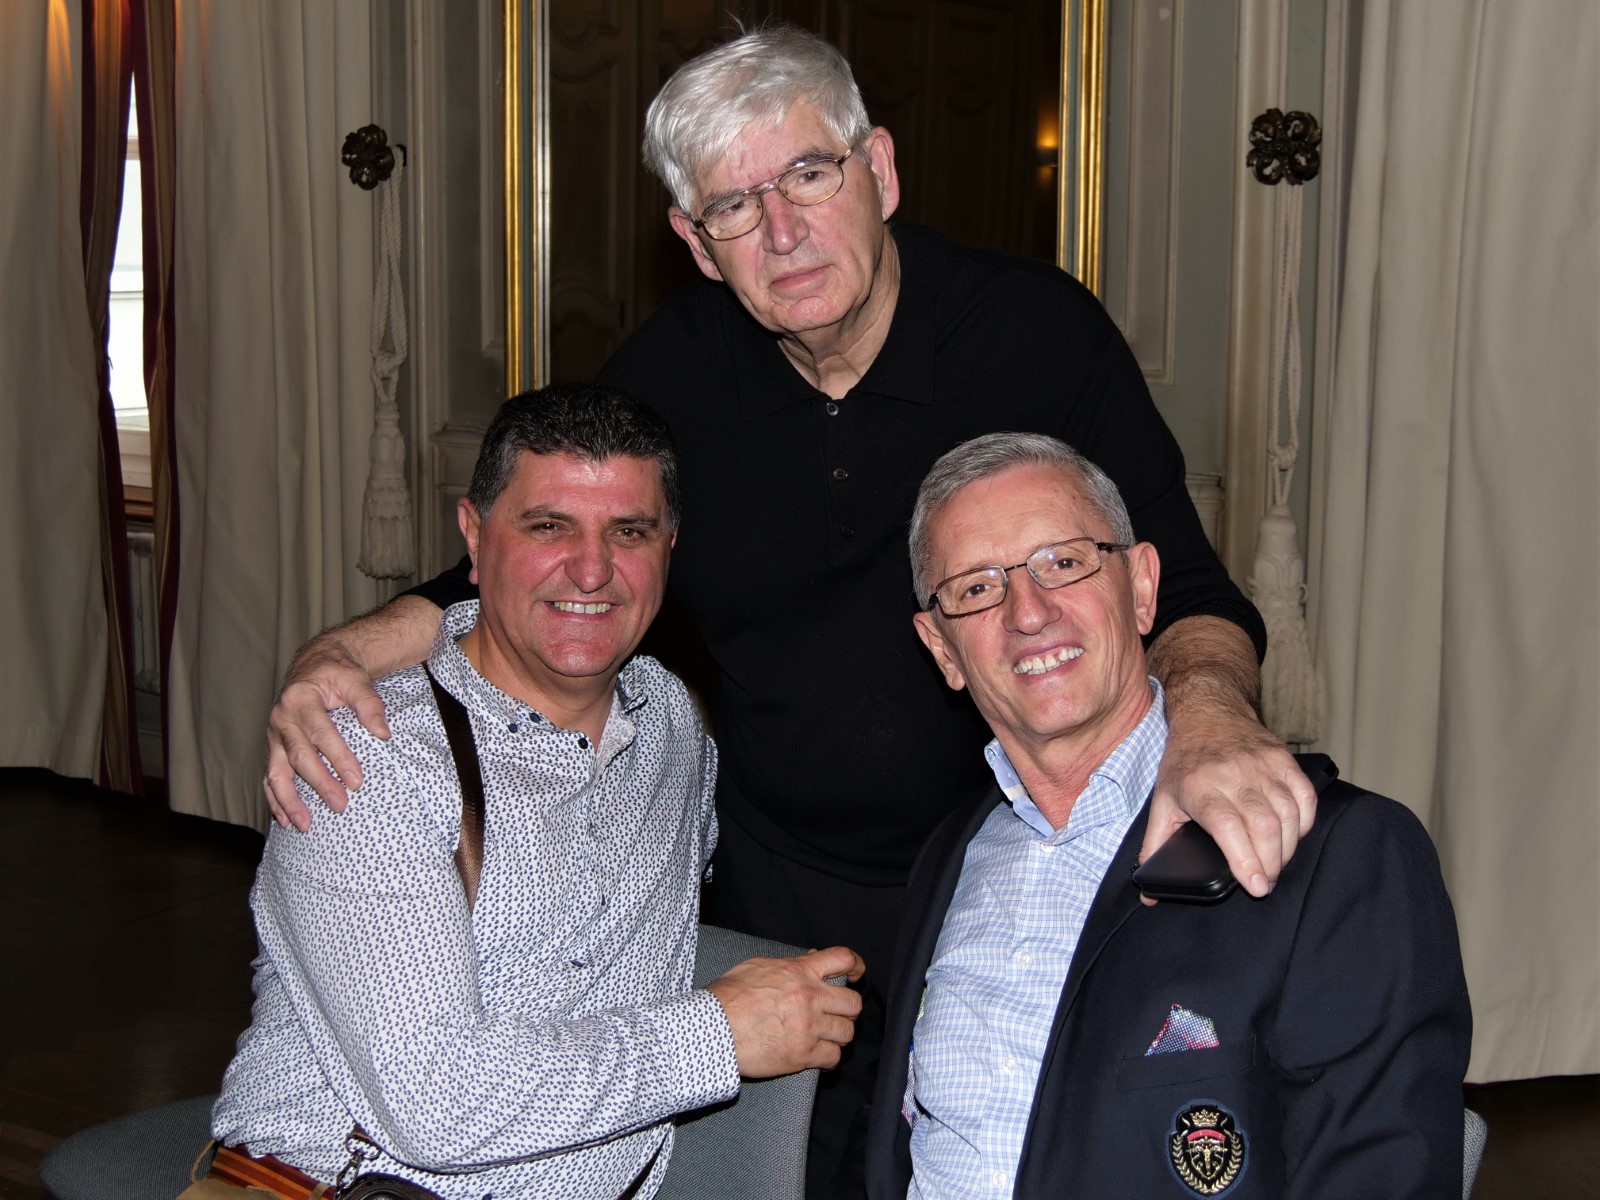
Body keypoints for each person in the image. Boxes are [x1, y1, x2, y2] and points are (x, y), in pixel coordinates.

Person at [261, 26, 1317, 1195]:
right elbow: (540, 563)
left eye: (809, 174)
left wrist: (1212, 722)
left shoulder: (1033, 334)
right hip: (780, 886)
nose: (781, 230)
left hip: (1010, 858)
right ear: (695, 243)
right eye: (733, 205)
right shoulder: (673, 373)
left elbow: (1188, 590)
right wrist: (339, 655)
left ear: (881, 171)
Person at [205, 385, 864, 1200]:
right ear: (474, 538)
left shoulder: (672, 726)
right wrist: (716, 1034)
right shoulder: (365, 760)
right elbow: (437, 1106)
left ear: (670, 547)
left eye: (629, 532)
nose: (591, 569)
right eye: (548, 526)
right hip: (350, 1186)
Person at [859, 432, 1471, 1198]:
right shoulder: (949, 861)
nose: (1029, 612)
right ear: (942, 649)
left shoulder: (1336, 858)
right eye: (977, 587)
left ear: (1144, 587)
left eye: (1064, 562)